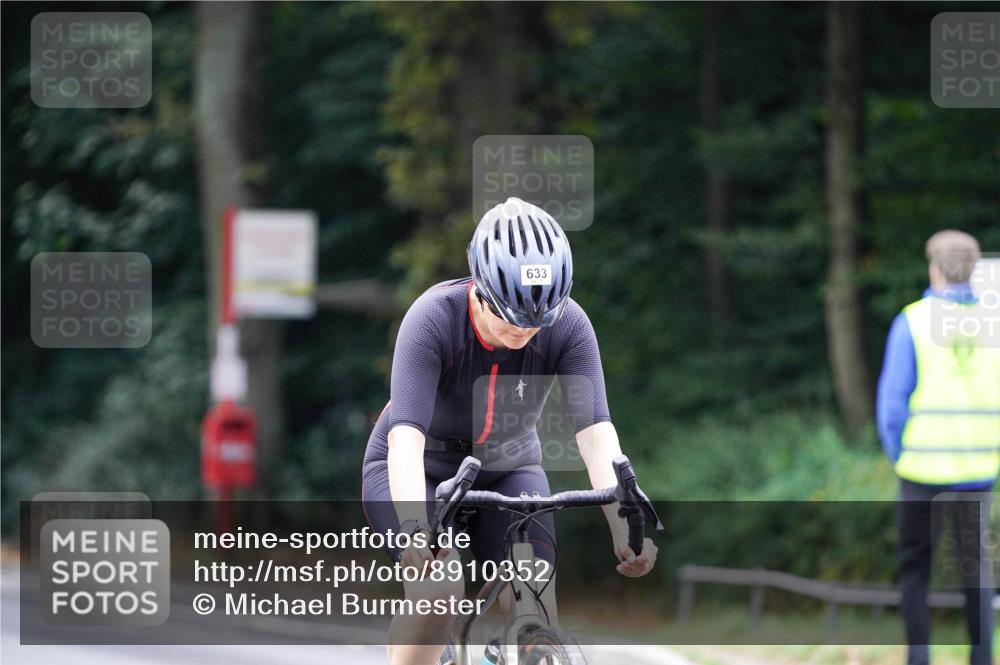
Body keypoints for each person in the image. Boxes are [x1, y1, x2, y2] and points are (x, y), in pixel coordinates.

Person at [361, 197, 658, 665]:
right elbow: (405, 441)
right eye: (513, 318)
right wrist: (416, 528)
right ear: (479, 289)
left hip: (510, 468)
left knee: (534, 594)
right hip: (422, 469)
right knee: (439, 590)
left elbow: (596, 433)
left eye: (540, 320)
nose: (527, 332)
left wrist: (623, 523)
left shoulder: (570, 325)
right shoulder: (432, 318)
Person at [876, 230, 1000, 665]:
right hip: (979, 472)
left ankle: (919, 660)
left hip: (921, 474)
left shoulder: (912, 321)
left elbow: (891, 407)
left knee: (915, 572)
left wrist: (901, 457)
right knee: (977, 577)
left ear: (934, 267)